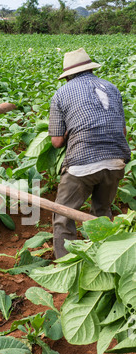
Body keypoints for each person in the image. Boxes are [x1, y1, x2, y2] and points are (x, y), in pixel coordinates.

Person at [48, 48, 131, 259]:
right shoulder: (112, 88)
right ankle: (104, 261)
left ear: (67, 75)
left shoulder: (61, 93)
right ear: (90, 69)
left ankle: (66, 264)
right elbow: (122, 131)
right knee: (102, 215)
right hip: (116, 162)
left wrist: (69, 132)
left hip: (82, 163)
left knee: (63, 216)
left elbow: (57, 141)